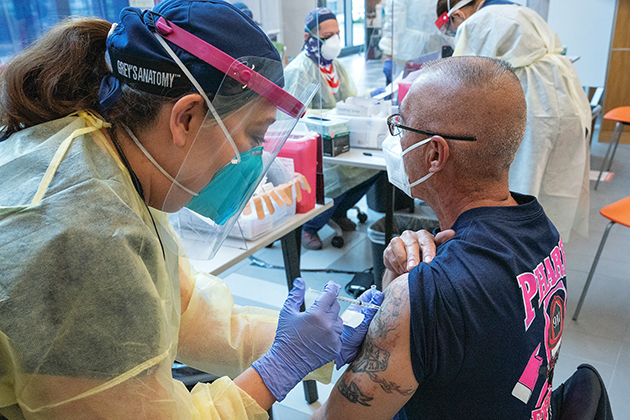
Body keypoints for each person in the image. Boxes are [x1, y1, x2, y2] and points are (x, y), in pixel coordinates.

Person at [0, 1, 384, 418]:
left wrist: (311, 342)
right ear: (184, 118)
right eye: (254, 136)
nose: (256, 161)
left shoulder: (118, 161)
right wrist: (278, 369)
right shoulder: (80, 232)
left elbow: (181, 310)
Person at [311, 56, 569, 420]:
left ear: (434, 154)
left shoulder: (430, 295)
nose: (395, 141)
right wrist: (399, 279)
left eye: (400, 127)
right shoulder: (541, 230)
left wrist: (405, 293)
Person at [435, 0, 592, 242]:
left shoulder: (478, 21)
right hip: (564, 102)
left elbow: (461, 81)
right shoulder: (521, 11)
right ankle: (542, 252)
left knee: (520, 182)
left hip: (532, 109)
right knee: (554, 184)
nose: (456, 31)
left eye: (453, 26)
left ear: (456, 13)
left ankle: (510, 253)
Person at [284, 7, 382, 250]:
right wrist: (335, 115)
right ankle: (310, 226)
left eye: (337, 34)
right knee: (336, 177)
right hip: (315, 149)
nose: (335, 41)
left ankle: (339, 211)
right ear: (309, 38)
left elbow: (351, 99)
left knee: (375, 170)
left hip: (341, 139)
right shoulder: (298, 70)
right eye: (327, 36)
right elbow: (294, 118)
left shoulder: (335, 67)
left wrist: (372, 99)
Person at [378, 0, 448, 85]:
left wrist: (389, 53)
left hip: (407, 47)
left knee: (404, 87)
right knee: (428, 86)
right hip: (433, 44)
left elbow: (395, 19)